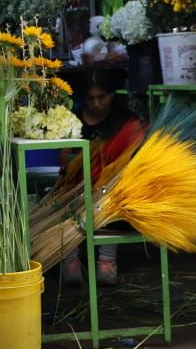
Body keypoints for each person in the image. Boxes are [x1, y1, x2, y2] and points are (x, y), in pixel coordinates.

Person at [61, 69, 147, 287]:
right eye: (91, 98)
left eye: (102, 97)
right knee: (66, 203)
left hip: (114, 190)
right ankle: (70, 260)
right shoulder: (73, 121)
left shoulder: (126, 123)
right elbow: (64, 160)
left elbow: (136, 163)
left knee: (111, 201)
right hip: (77, 187)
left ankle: (107, 261)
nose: (96, 103)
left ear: (112, 95)